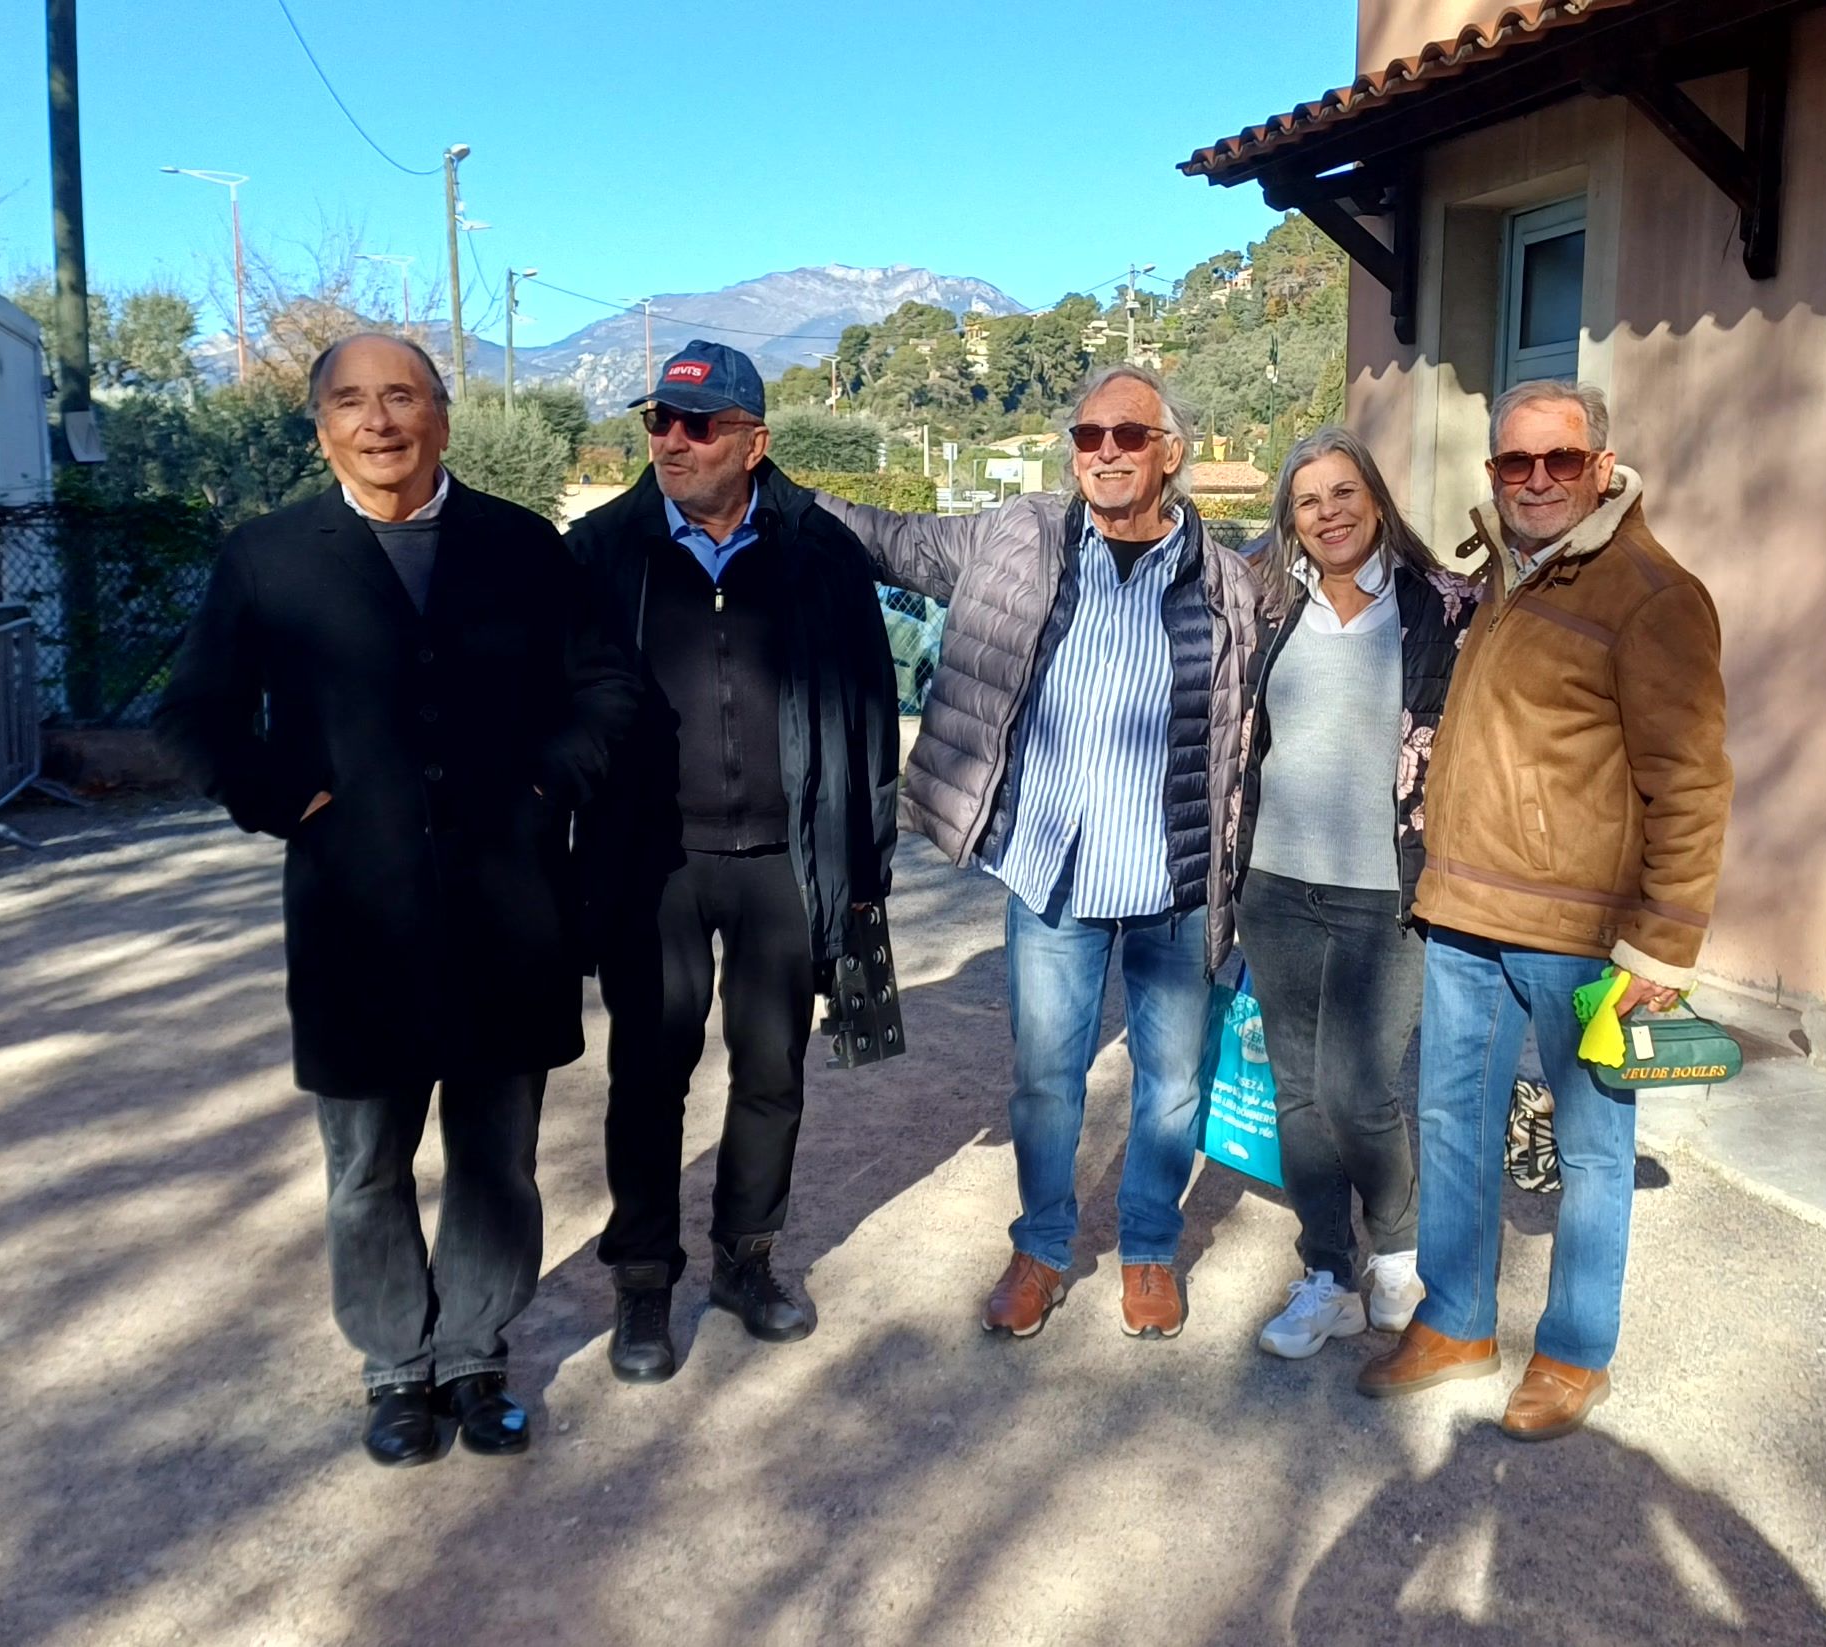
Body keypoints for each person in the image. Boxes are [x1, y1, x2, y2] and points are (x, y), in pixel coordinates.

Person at [154, 333, 640, 1467]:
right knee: (366, 1165)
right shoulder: (268, 558)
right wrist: (289, 797)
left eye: (403, 397)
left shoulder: (521, 547)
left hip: (507, 913)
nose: (380, 421)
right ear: (320, 425)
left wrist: (541, 781)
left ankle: (474, 1355)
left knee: (494, 1159)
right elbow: (194, 716)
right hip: (352, 922)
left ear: (444, 417)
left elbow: (607, 686)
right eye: (352, 401)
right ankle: (392, 1366)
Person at [814, 364, 1265, 1341]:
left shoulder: (1228, 581)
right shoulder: (1016, 537)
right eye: (1088, 435)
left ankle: (1148, 1248)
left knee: (1173, 1083)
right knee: (1046, 1078)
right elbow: (891, 541)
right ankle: (1043, 1247)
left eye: (1129, 436)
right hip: (1052, 875)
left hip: (1175, 881)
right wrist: (773, 491)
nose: (1104, 451)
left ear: (1171, 456)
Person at [1354, 380, 1731, 1443]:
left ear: (1602, 467)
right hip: (1467, 909)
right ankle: (1459, 1320)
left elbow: (1692, 780)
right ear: (1493, 474)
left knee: (1594, 1149)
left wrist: (1667, 938)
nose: (1536, 481)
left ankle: (1573, 1351)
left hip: (1578, 931)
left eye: (1560, 461)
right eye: (1514, 463)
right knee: (1454, 1123)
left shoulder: (1654, 596)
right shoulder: (1503, 574)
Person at [565, 342, 901, 1384]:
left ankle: (747, 1262)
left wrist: (862, 868)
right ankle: (643, 1287)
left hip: (783, 863)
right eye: (659, 421)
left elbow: (870, 714)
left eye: (696, 425)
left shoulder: (822, 553)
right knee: (648, 1077)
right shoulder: (601, 552)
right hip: (651, 864)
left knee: (773, 1075)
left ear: (754, 443)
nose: (671, 439)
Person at [1233, 426, 1482, 1360]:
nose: (1329, 513)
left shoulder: (1440, 609)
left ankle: (1400, 1250)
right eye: (1308, 500)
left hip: (1387, 892)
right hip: (1277, 884)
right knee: (1297, 1087)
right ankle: (1327, 1273)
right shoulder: (1265, 603)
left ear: (1375, 500)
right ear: (1289, 519)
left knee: (1359, 1085)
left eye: (1345, 493)